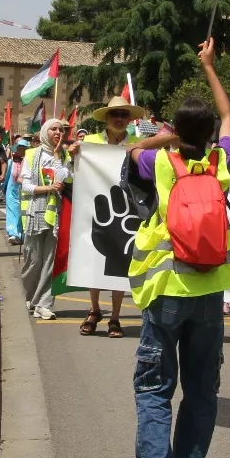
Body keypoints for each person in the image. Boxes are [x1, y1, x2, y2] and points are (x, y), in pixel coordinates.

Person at [123, 39, 230, 458]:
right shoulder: (221, 163)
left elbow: (134, 147)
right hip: (210, 292)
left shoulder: (161, 163)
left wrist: (167, 138)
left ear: (176, 129)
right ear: (211, 133)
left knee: (155, 386)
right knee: (201, 388)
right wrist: (209, 67)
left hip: (166, 289)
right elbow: (229, 116)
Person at [70, 95, 148, 337]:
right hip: (96, 207)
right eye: (115, 114)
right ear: (106, 118)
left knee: (121, 260)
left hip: (126, 210)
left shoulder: (138, 143)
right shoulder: (89, 142)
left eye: (124, 115)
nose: (119, 118)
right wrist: (73, 155)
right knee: (94, 256)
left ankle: (115, 317)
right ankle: (94, 310)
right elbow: (75, 171)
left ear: (129, 119)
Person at [19, 119, 71, 320]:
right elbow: (26, 185)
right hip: (35, 212)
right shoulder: (32, 154)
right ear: (44, 132)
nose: (58, 132)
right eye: (53, 129)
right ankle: (30, 297)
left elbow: (64, 178)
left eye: (61, 130)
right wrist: (48, 188)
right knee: (34, 260)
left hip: (57, 213)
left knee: (51, 261)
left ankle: (44, 304)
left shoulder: (65, 156)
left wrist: (57, 155)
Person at [4, 137, 30, 245]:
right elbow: (7, 176)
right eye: (19, 147)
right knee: (11, 211)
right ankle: (13, 233)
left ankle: (20, 234)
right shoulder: (11, 161)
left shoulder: (29, 161)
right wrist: (4, 187)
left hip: (24, 190)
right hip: (11, 190)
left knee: (21, 212)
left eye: (23, 147)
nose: (21, 149)